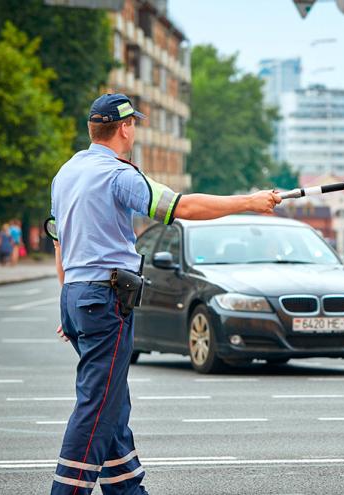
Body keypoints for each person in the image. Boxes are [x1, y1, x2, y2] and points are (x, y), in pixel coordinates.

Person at [49, 93, 281, 495]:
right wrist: (249, 201)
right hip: (104, 299)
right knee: (98, 406)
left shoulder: (67, 172)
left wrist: (68, 299)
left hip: (77, 295)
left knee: (113, 402)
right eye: (133, 123)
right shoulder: (118, 175)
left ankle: (127, 491)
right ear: (124, 128)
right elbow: (183, 208)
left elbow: (59, 241)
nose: (134, 129)